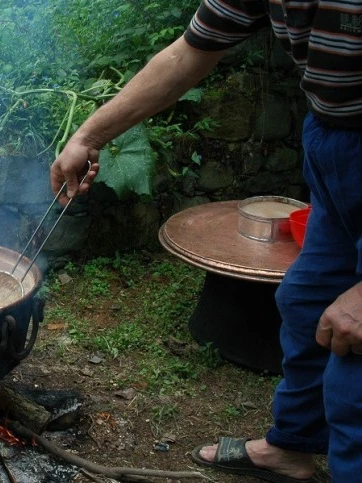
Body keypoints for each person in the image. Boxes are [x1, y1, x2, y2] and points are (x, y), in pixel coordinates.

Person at [49, 1, 362, 481]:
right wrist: (90, 134)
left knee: (354, 356)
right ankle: (292, 447)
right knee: (306, 301)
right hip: (332, 141)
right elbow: (188, 54)